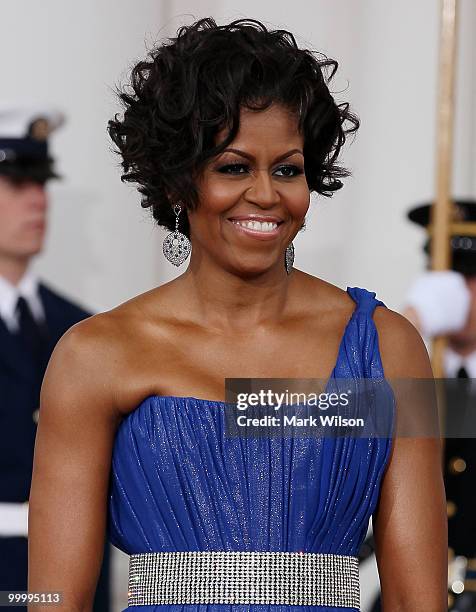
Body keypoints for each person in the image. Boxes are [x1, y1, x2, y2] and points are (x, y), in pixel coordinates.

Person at [28, 17, 446, 611]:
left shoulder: (390, 347)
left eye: (287, 169)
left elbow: (419, 601)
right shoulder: (94, 355)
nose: (267, 194)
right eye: (233, 167)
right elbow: (52, 601)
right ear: (177, 184)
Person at [0, 107, 110, 611]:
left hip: (71, 582)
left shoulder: (83, 328)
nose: (37, 200)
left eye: (41, 184)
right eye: (16, 184)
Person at [366, 199, 476, 611]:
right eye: (445, 277)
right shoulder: (416, 382)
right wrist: (405, 331)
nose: (458, 295)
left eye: (469, 277)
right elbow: (301, 414)